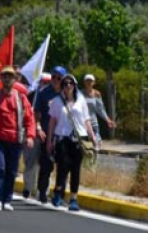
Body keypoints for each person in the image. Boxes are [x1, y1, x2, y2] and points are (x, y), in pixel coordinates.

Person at [0, 67, 36, 213]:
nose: (7, 79)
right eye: (4, 76)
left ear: (15, 79)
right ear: (1, 79)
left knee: (11, 171)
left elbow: (29, 118)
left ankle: (7, 199)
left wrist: (30, 136)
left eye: (10, 76)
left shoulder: (21, 97)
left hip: (15, 140)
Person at [47, 75, 96, 211]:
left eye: (71, 83)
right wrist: (49, 141)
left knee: (75, 169)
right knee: (63, 166)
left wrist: (93, 137)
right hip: (62, 137)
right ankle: (58, 191)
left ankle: (73, 198)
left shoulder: (81, 101)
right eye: (65, 84)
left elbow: (86, 120)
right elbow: (52, 122)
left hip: (79, 137)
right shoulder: (57, 101)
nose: (68, 86)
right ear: (62, 86)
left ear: (74, 85)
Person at [33, 65, 66, 204]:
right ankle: (42, 192)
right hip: (47, 134)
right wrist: (38, 128)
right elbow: (36, 113)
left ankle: (59, 195)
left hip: (63, 135)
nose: (55, 80)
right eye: (53, 77)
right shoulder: (43, 93)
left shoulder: (67, 94)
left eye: (59, 78)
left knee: (63, 166)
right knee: (46, 165)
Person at [81, 74, 115, 150]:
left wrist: (108, 120)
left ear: (94, 83)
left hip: (93, 123)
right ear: (84, 82)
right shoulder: (79, 93)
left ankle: (95, 159)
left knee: (96, 144)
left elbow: (100, 109)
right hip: (82, 123)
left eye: (90, 81)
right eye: (87, 81)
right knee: (83, 146)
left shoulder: (97, 94)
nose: (89, 82)